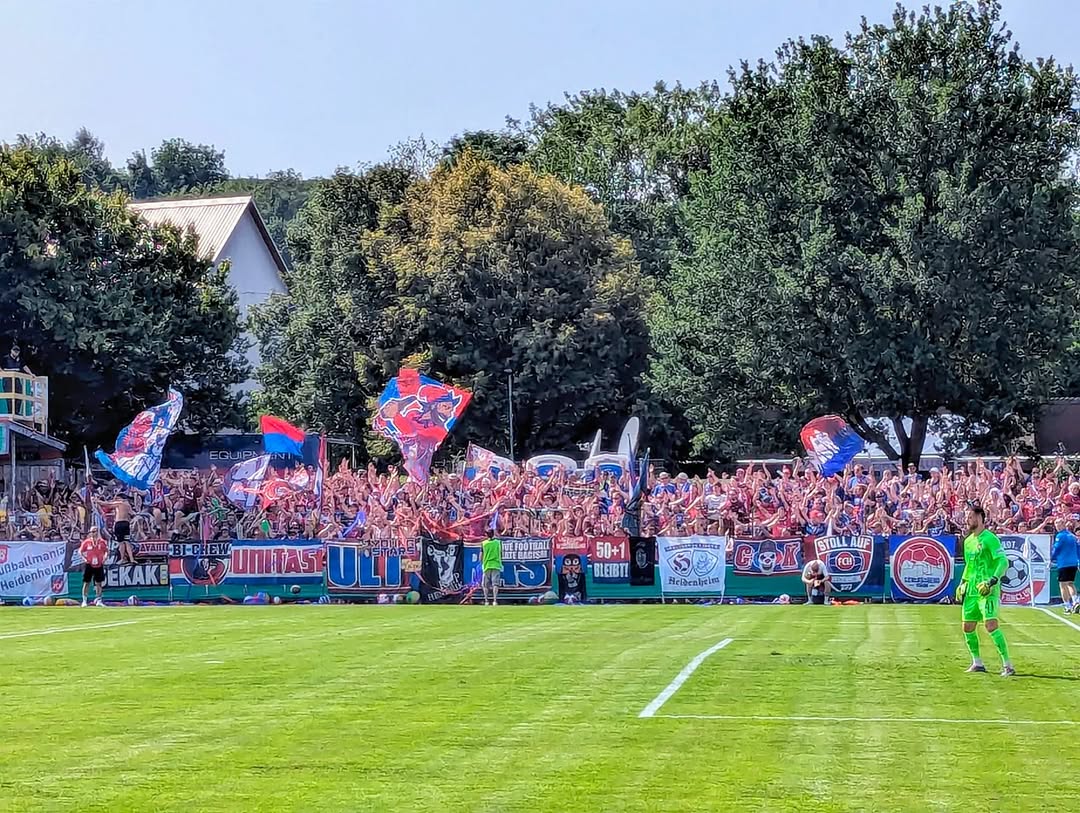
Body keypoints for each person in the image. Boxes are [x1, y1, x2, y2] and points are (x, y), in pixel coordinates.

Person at [956, 505, 1014, 676]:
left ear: (980, 518)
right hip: (972, 590)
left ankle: (1008, 665)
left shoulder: (990, 538)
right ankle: (977, 663)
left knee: (990, 625)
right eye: (967, 517)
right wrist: (962, 583)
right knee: (967, 627)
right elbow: (969, 565)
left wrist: (992, 580)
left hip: (987, 589)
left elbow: (1003, 561)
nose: (968, 519)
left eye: (971, 517)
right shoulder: (967, 541)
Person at [1051, 518, 1079, 614]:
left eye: (1058, 525)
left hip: (1064, 563)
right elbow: (1078, 548)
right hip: (1073, 563)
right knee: (1070, 583)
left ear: (1063, 525)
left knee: (1062, 584)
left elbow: (1057, 548)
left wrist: (1051, 558)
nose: (1057, 527)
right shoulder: (1072, 536)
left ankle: (1067, 606)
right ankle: (1076, 601)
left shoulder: (1060, 536)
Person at [79, 526, 108, 607]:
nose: (93, 533)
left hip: (99, 564)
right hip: (89, 564)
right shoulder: (87, 542)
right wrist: (84, 559)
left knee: (99, 583)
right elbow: (80, 551)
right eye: (91, 532)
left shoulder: (101, 542)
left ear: (97, 532)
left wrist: (105, 557)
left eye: (94, 531)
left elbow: (106, 551)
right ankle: (84, 600)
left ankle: (99, 600)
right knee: (86, 582)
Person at [480, 528, 503, 606]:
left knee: (485, 585)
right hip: (496, 564)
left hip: (486, 565)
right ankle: (495, 600)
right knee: (495, 584)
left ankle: (486, 600)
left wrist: (481, 563)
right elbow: (501, 553)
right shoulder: (498, 543)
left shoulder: (484, 543)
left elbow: (481, 556)